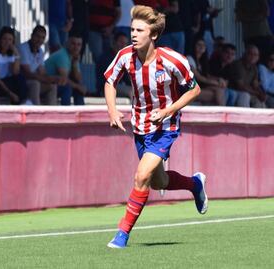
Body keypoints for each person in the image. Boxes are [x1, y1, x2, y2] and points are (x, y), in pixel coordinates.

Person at [104, 5, 208, 249]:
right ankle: (195, 184)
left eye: (140, 30)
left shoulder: (172, 60)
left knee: (141, 177)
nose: (133, 34)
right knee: (158, 182)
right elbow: (110, 81)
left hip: (165, 128)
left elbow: (195, 89)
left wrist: (169, 110)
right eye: (132, 29)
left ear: (153, 35)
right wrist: (111, 110)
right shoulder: (125, 56)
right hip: (139, 128)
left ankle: (122, 234)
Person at [19, 25, 65, 105]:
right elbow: (27, 73)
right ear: (32, 35)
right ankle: (37, 112)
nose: (39, 40)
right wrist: (46, 78)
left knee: (52, 86)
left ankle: (51, 114)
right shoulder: (23, 48)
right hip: (21, 83)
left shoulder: (40, 51)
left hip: (32, 81)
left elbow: (42, 72)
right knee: (35, 83)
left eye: (42, 38)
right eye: (37, 36)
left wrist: (53, 79)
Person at [44, 33, 87, 105]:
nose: (76, 47)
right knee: (68, 87)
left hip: (56, 83)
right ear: (67, 43)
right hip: (46, 84)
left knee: (78, 87)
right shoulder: (62, 55)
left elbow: (78, 79)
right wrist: (78, 87)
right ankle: (66, 113)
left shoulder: (74, 56)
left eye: (79, 45)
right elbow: (64, 79)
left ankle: (82, 114)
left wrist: (75, 64)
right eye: (73, 44)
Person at [187, 37, 227, 106]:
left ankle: (223, 113)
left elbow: (207, 76)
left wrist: (218, 79)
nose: (201, 47)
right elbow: (199, 78)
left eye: (203, 45)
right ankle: (224, 113)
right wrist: (216, 83)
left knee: (220, 91)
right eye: (199, 45)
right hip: (189, 90)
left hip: (200, 87)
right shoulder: (189, 59)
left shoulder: (203, 61)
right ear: (194, 46)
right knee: (217, 93)